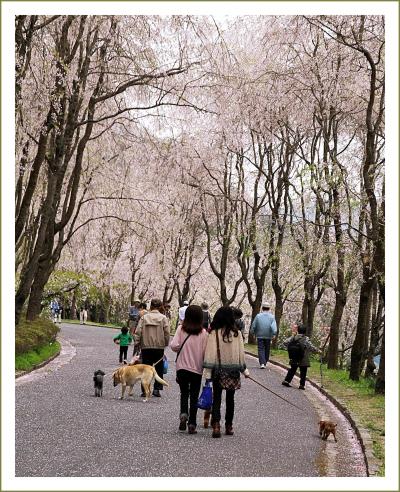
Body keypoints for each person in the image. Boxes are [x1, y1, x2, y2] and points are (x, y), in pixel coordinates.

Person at [203, 306, 250, 438]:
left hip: (218, 370)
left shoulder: (214, 333)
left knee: (217, 398)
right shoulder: (237, 334)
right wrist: (245, 370)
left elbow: (210, 354)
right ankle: (229, 426)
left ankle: (216, 425)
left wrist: (207, 372)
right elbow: (241, 354)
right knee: (231, 399)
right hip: (233, 371)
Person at [170, 305, 208, 434]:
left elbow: (174, 345)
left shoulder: (181, 329)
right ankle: (192, 423)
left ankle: (183, 414)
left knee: (184, 393)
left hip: (182, 368)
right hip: (196, 369)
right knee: (194, 395)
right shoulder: (203, 333)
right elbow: (205, 353)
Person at [134, 298, 170, 397]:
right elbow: (167, 333)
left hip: (146, 347)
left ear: (151, 306)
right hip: (159, 347)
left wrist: (137, 342)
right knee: (159, 368)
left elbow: (138, 331)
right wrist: (166, 343)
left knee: (145, 368)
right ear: (160, 307)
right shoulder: (163, 318)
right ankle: (157, 389)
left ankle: (144, 390)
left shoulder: (144, 318)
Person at [282, 323, 321, 390]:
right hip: (303, 357)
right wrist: (318, 351)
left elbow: (285, 342)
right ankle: (302, 385)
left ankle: (287, 380)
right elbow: (311, 347)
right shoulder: (306, 339)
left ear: (298, 330)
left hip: (294, 357)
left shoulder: (293, 337)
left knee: (292, 369)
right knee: (303, 371)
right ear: (305, 331)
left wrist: (290, 349)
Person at [250, 302, 277, 369]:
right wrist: (274, 333)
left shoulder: (258, 316)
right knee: (267, 348)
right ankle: (265, 362)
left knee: (261, 349)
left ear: (262, 308)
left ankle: (262, 363)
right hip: (268, 335)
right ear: (269, 308)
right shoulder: (272, 317)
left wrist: (252, 333)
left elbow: (254, 325)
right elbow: (274, 326)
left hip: (259, 335)